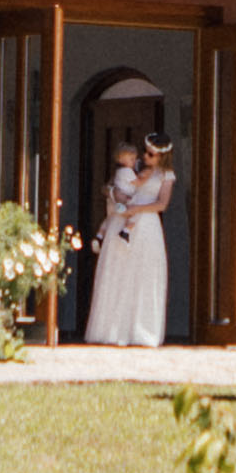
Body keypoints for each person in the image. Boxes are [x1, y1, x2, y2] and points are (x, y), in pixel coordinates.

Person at [87, 135, 174, 348]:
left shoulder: (166, 175)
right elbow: (110, 186)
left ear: (161, 157)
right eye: (145, 152)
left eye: (151, 154)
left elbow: (162, 204)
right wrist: (112, 193)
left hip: (147, 225)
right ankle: (110, 330)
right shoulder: (133, 168)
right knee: (118, 272)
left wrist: (137, 209)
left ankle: (142, 331)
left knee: (144, 275)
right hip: (122, 220)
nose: (145, 156)